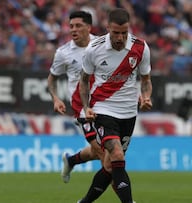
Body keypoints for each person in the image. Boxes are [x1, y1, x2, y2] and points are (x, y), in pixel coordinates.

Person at [78, 8, 153, 203]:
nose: (120, 37)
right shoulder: (94, 48)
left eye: (124, 33)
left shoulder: (141, 47)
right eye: (116, 32)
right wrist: (87, 107)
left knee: (111, 165)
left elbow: (145, 79)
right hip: (103, 108)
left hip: (129, 112)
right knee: (117, 153)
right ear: (108, 28)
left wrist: (146, 96)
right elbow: (84, 81)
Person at [47, 11, 104, 183]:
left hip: (106, 104)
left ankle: (71, 160)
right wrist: (56, 98)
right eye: (71, 26)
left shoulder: (102, 45)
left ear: (89, 27)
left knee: (99, 151)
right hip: (82, 109)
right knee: (105, 154)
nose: (73, 30)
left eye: (78, 26)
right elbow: (52, 79)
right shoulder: (63, 53)